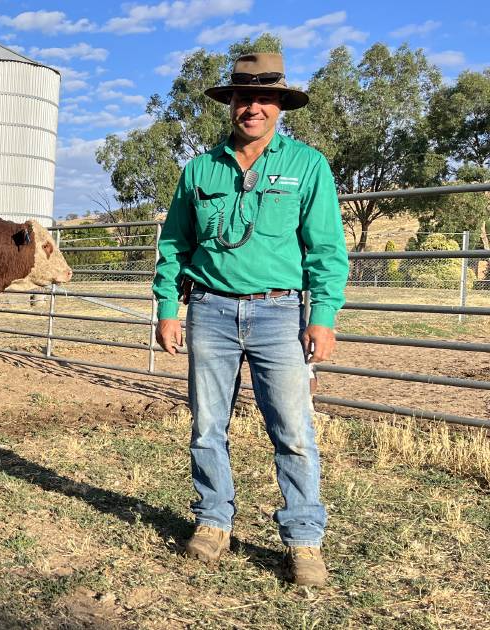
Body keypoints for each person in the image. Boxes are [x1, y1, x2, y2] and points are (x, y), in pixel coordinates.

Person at [152, 52, 349, 587]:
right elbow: (174, 244)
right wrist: (169, 309)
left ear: (280, 105)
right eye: (244, 97)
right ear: (231, 104)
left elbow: (327, 249)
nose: (253, 107)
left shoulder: (308, 166)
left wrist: (322, 316)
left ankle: (304, 539)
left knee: (293, 429)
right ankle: (213, 521)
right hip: (209, 311)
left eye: (265, 97)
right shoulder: (198, 170)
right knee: (206, 427)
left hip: (280, 312)